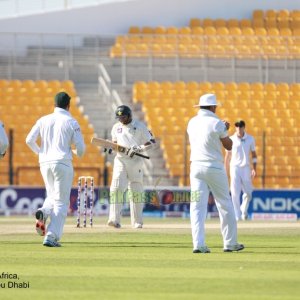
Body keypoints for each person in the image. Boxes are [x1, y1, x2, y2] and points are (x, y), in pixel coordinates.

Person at [26, 92, 85, 247]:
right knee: (61, 202)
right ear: (68, 105)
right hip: (63, 163)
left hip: (45, 163)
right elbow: (81, 148)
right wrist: (76, 153)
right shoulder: (72, 121)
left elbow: (29, 140)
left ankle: (44, 211)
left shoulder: (43, 119)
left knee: (52, 195)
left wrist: (40, 153)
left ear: (54, 104)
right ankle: (51, 236)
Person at [187, 93, 244, 253]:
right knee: (225, 203)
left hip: (196, 166)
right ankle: (230, 243)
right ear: (213, 107)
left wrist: (221, 129)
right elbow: (229, 145)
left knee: (197, 207)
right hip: (213, 166)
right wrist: (225, 129)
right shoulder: (216, 122)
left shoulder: (191, 122)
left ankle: (198, 244)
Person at [107, 105, 156, 229]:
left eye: (123, 117)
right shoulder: (116, 127)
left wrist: (139, 148)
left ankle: (137, 221)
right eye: (119, 118)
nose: (121, 120)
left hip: (136, 161)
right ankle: (114, 219)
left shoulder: (140, 126)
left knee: (136, 190)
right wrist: (110, 148)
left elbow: (152, 142)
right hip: (121, 160)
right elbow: (115, 144)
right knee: (116, 187)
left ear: (129, 115)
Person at [225, 120, 257, 221]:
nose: (238, 128)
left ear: (244, 127)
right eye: (237, 126)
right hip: (234, 168)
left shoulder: (250, 139)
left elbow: (254, 155)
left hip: (246, 168)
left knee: (248, 192)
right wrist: (226, 171)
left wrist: (254, 169)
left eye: (240, 126)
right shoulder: (231, 139)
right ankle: (237, 216)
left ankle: (243, 209)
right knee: (234, 193)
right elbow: (227, 156)